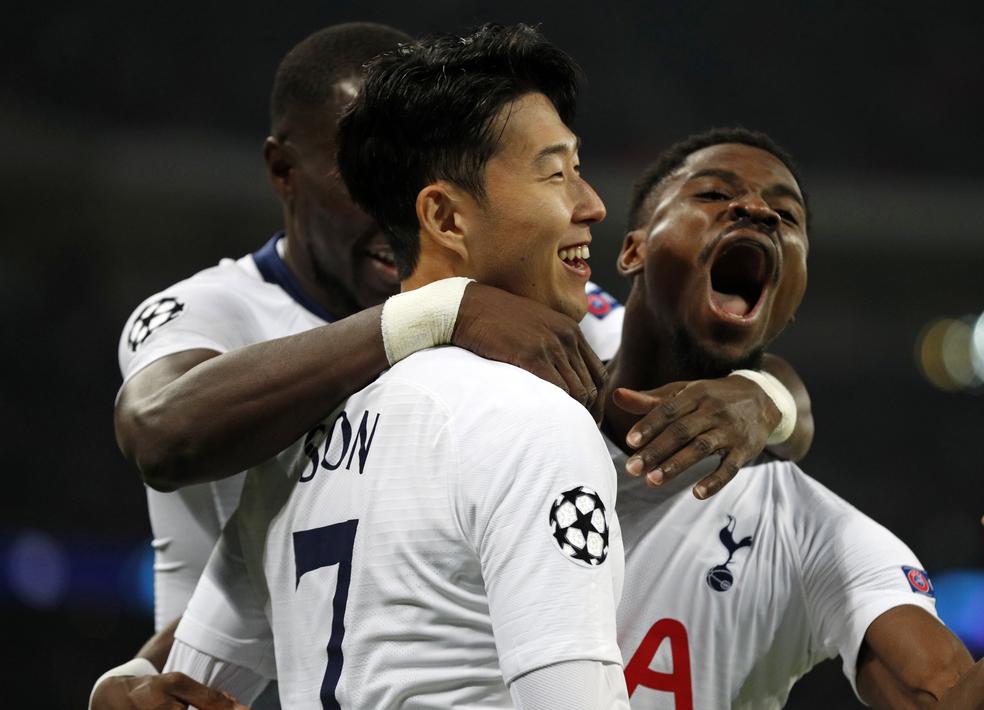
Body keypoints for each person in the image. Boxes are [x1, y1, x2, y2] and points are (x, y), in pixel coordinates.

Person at [95, 21, 815, 709]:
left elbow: (682, 374)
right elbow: (162, 433)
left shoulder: (324, 429)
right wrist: (439, 310)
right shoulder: (223, 314)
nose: (591, 206)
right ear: (285, 171)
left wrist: (757, 394)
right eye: (554, 173)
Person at [162, 23, 639, 708]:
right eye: (555, 172)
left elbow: (181, 689)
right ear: (444, 217)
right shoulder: (530, 422)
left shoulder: (298, 433)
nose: (590, 203)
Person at [599, 127, 984, 708]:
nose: (756, 210)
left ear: (793, 292)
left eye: (786, 212)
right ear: (633, 250)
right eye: (710, 195)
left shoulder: (817, 537)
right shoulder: (545, 355)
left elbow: (949, 699)